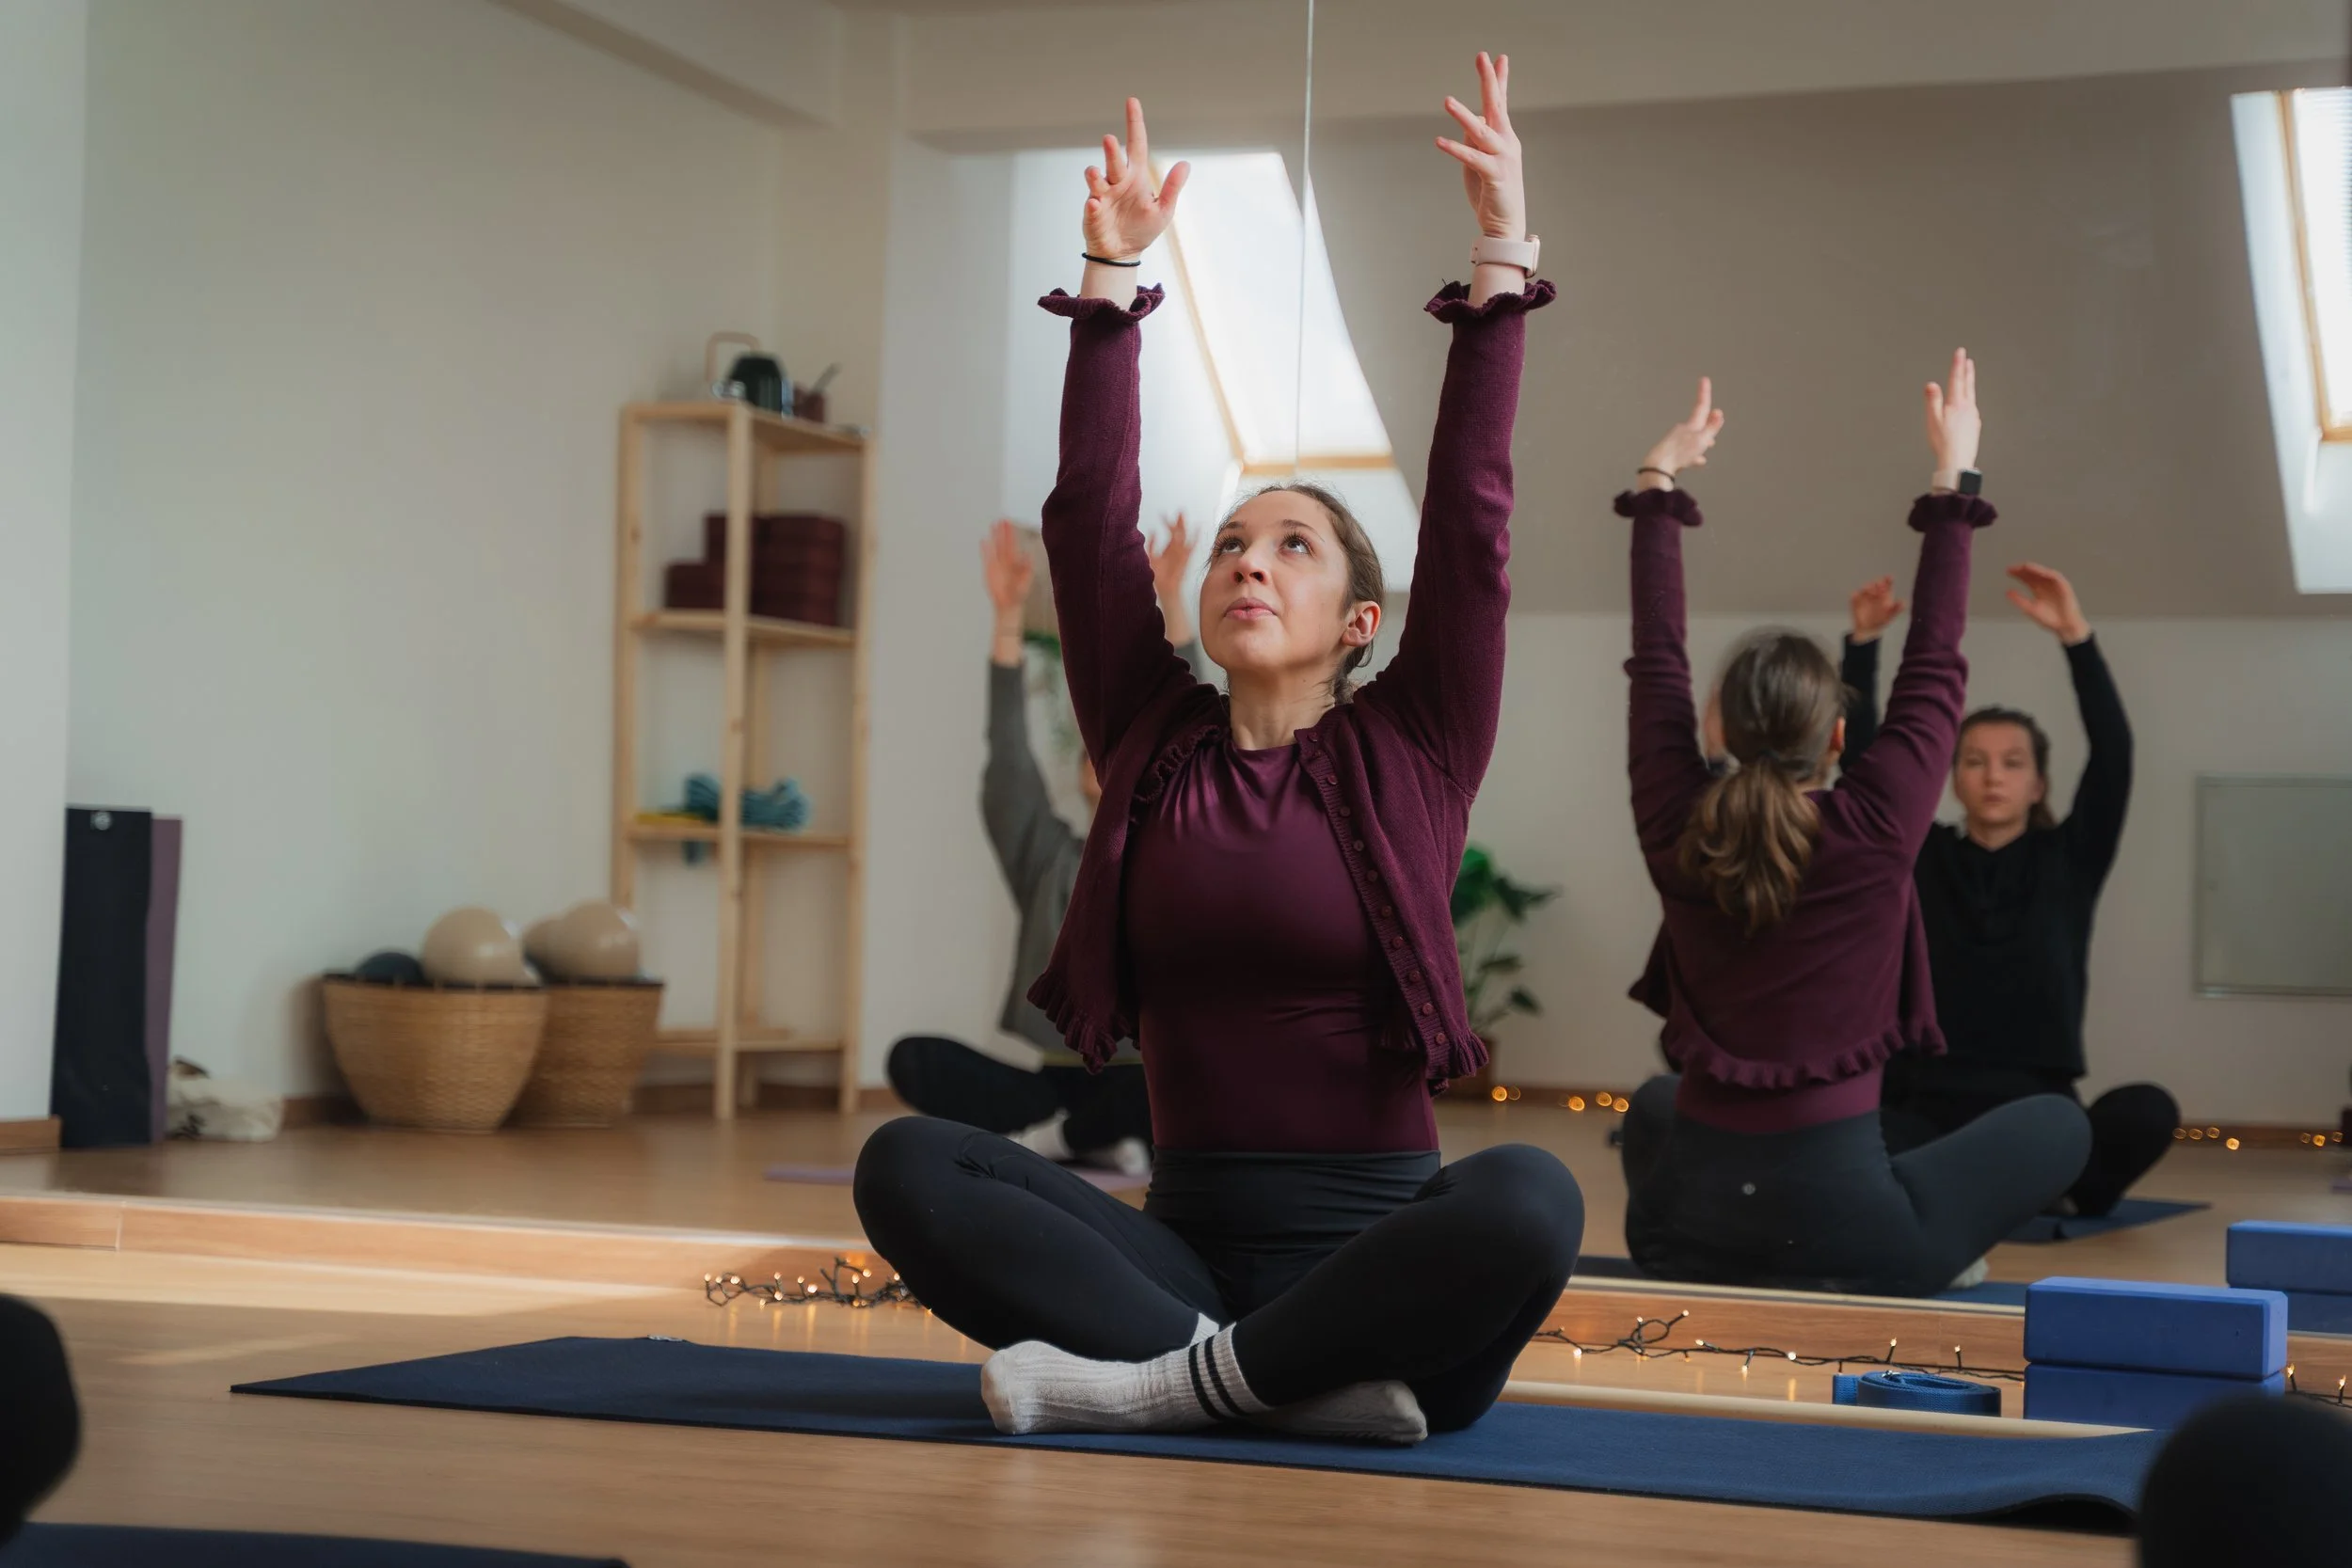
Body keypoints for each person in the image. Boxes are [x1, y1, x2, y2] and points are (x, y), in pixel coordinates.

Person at [855, 58, 1581, 1446]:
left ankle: (1167, 1386)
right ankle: (1257, 1378)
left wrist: (1500, 258)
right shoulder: (1150, 731)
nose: (1250, 560)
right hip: (1176, 1260)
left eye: (1291, 544)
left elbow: (1478, 521)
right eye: (1235, 544)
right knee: (907, 1164)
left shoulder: (1419, 741)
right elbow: (1086, 516)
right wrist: (1110, 284)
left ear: (1359, 620)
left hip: (1380, 1271)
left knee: (1533, 1195)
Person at [1616, 355, 2091, 1298]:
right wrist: (1952, 476)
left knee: (1660, 1103)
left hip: (1677, 1231)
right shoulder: (1874, 823)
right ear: (1838, 736)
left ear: (1713, 726)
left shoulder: (1675, 818)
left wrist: (1655, 485)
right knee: (2059, 1127)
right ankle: (1913, 1239)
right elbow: (1934, 660)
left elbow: (1655, 662)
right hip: (1852, 1236)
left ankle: (1739, 1240)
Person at [882, 515, 1209, 1176]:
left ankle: (1064, 1140)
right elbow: (1008, 760)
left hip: (1147, 1081)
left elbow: (1190, 739)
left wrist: (1171, 603)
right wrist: (1007, 621)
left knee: (1206, 1080)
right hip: (1049, 1082)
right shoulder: (1047, 854)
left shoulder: (1180, 846)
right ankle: (1079, 1134)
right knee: (913, 1059)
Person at [1841, 564, 2172, 1216]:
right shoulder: (1917, 853)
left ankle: (2034, 1186)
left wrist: (2076, 638)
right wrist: (1862, 648)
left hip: (2037, 1103)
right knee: (1863, 1133)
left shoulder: (2070, 859)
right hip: (1925, 1101)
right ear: (1952, 780)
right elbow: (1866, 772)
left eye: (2013, 762)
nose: (1994, 776)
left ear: (2039, 783)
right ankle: (2020, 1190)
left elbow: (2115, 756)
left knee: (2148, 1110)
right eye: (1974, 761)